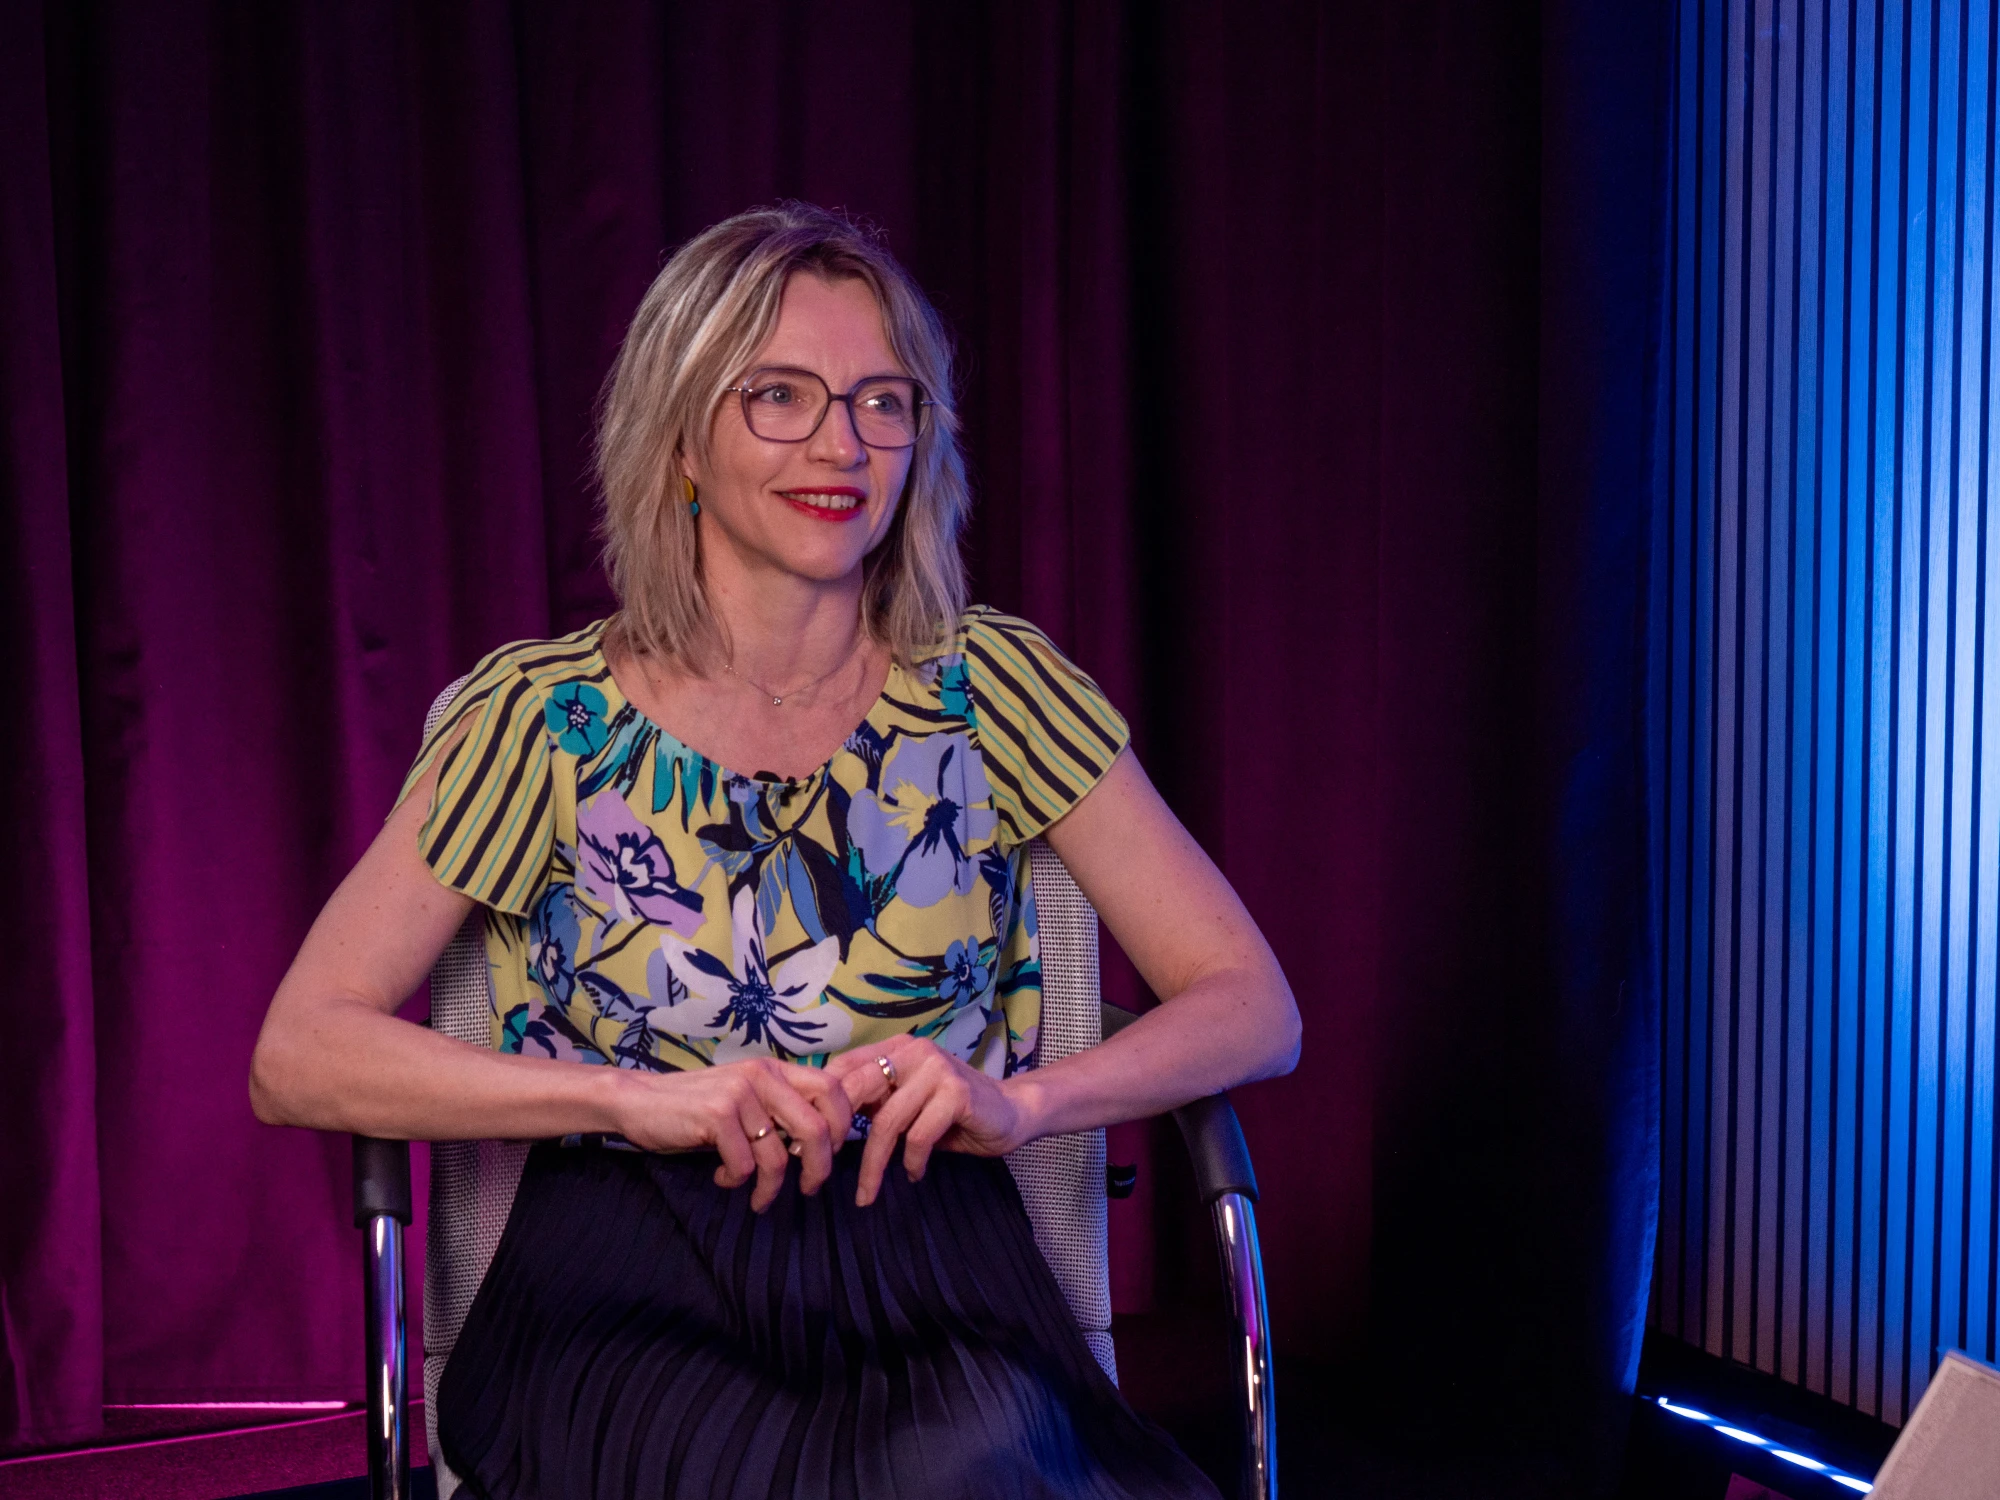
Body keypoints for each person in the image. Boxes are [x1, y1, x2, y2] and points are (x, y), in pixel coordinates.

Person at [250, 203, 1300, 1500]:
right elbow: (299, 1053)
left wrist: (1027, 1103)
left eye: (881, 402)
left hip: (932, 1270)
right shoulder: (546, 719)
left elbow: (1253, 1006)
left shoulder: (993, 689)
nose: (841, 444)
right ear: (682, 437)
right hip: (628, 1279)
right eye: (781, 396)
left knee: (966, 1475)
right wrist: (629, 1100)